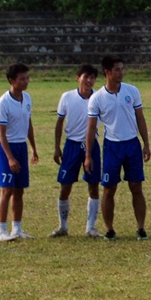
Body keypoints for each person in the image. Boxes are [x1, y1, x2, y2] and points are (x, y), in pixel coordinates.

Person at [86, 55, 151, 240]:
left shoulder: (132, 91)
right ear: (107, 72)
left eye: (122, 69)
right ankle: (110, 229)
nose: (121, 72)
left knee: (136, 186)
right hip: (112, 147)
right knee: (108, 188)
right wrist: (88, 155)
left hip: (132, 144)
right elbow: (92, 128)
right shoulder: (97, 98)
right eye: (117, 69)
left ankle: (141, 228)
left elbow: (140, 118)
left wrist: (146, 143)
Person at [50, 63, 102, 238]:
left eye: (92, 78)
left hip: (92, 145)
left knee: (93, 185)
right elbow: (59, 123)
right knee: (65, 186)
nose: (89, 81)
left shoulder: (99, 97)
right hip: (71, 145)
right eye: (85, 77)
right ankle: (62, 226)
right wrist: (57, 147)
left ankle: (90, 228)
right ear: (78, 78)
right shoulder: (67, 97)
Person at [0, 62, 39, 241]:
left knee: (20, 190)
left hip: (20, 146)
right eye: (22, 79)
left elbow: (28, 124)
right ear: (12, 81)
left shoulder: (27, 98)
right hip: (6, 148)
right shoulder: (3, 103)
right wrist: (10, 158)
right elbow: (2, 134)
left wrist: (33, 147)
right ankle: (2, 231)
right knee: (7, 190)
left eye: (27, 78)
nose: (26, 81)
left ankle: (17, 229)